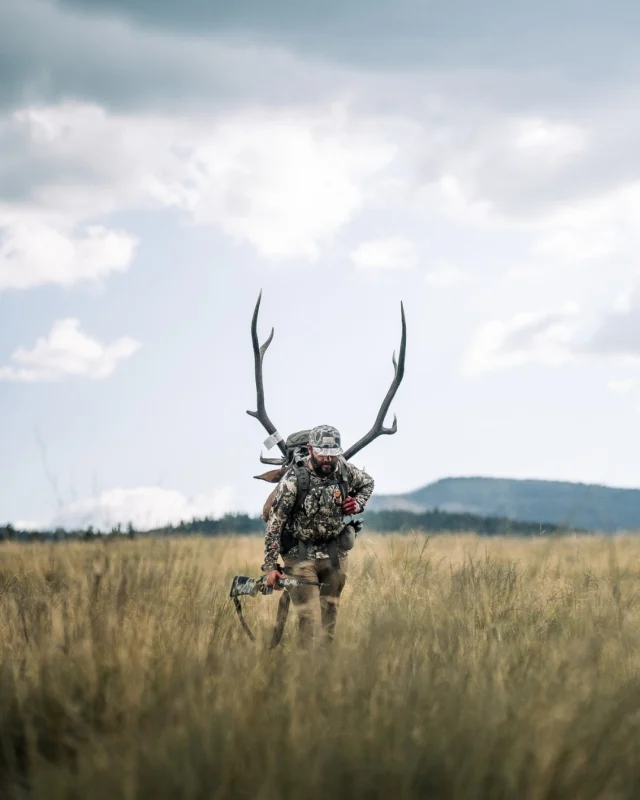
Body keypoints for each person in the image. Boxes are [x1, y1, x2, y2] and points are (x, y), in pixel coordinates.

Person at [262, 424, 374, 645]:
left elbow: (368, 483)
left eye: (333, 454)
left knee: (329, 621)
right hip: (300, 555)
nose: (327, 459)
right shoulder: (294, 480)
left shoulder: (344, 470)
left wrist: (357, 504)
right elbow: (275, 525)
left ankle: (324, 672)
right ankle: (306, 672)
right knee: (309, 622)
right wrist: (270, 567)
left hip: (335, 555)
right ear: (310, 449)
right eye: (322, 453)